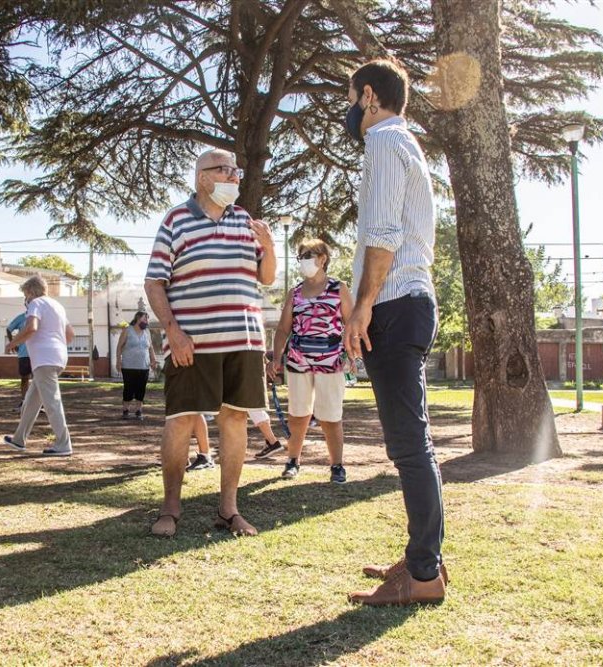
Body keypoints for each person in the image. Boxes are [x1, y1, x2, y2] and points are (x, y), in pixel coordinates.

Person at [341, 58, 446, 605]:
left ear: (370, 98)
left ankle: (423, 575)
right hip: (410, 302)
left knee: (409, 445)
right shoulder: (407, 143)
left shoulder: (383, 142)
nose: (350, 108)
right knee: (413, 441)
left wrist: (362, 308)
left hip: (395, 303)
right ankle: (423, 557)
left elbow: (382, 234)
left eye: (352, 96)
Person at [145, 147, 276, 538]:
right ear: (204, 177)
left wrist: (269, 247)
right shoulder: (177, 219)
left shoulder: (244, 220)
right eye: (227, 170)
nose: (236, 177)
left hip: (244, 339)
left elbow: (265, 277)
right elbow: (154, 281)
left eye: (237, 170)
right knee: (182, 420)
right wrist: (172, 331)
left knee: (235, 418)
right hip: (192, 342)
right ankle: (170, 509)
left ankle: (228, 510)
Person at [268, 239, 353, 484]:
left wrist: (352, 354)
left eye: (308, 255)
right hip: (298, 361)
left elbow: (351, 324)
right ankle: (293, 461)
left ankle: (337, 465)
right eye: (301, 256)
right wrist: (276, 358)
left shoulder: (339, 288)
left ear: (322, 258)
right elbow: (283, 329)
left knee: (330, 415)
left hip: (331, 361)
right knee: (298, 414)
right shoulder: (294, 292)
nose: (304, 260)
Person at [2, 276, 74, 456]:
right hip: (56, 357)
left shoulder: (36, 303)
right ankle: (19, 439)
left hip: (44, 359)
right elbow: (70, 334)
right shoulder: (57, 306)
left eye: (26, 294)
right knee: (31, 401)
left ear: (31, 292)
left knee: (52, 402)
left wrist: (13, 343)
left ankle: (64, 444)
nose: (25, 299)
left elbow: (31, 328)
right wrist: (56, 345)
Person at [116, 310, 158, 420]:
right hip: (128, 366)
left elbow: (151, 348)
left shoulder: (147, 332)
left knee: (141, 389)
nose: (147, 321)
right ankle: (125, 410)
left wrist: (153, 360)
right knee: (129, 389)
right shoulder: (127, 330)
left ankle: (139, 411)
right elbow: (119, 346)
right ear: (138, 318)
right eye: (145, 319)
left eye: (147, 319)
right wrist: (118, 361)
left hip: (144, 366)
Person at [5, 305, 33, 411]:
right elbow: (9, 329)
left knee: (38, 380)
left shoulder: (41, 316)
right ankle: (24, 402)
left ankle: (40, 404)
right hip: (24, 353)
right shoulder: (21, 318)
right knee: (24, 379)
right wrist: (13, 343)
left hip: (38, 354)